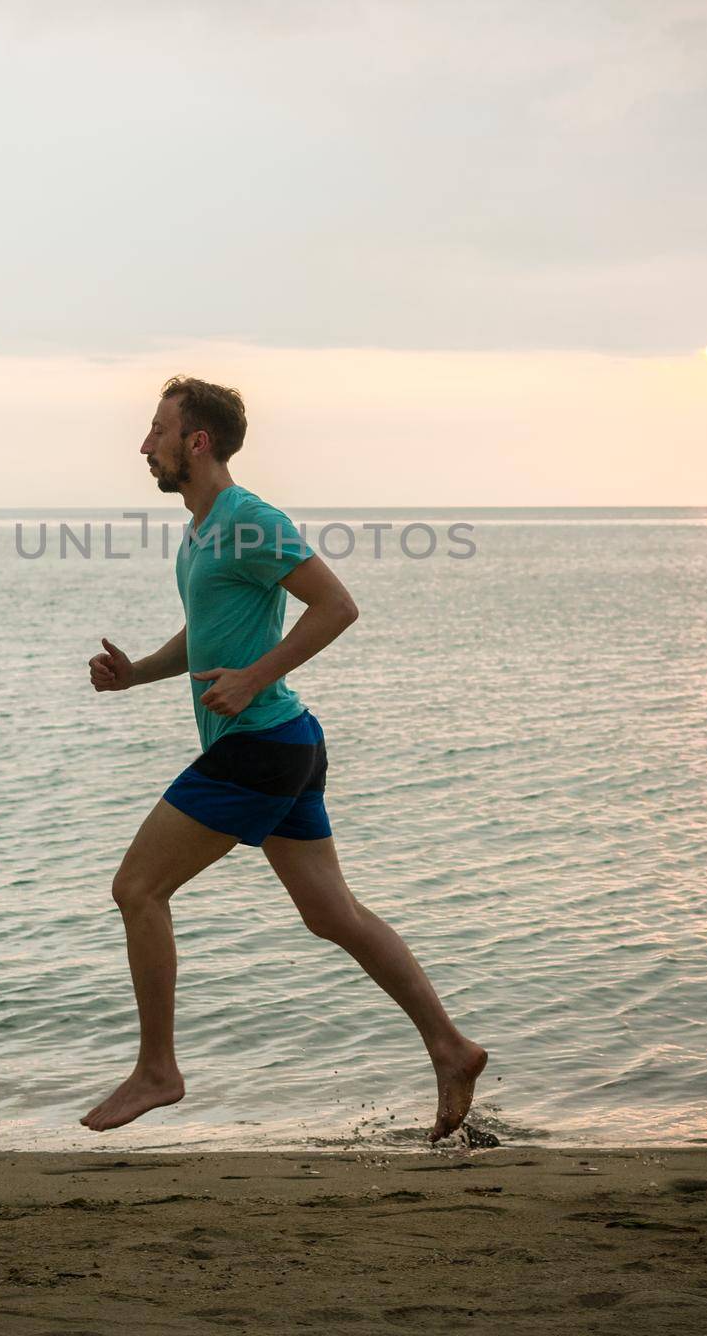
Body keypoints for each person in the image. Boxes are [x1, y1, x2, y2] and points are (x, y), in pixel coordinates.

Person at [81, 374, 488, 1142]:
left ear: (196, 442)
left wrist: (256, 676)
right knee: (332, 914)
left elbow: (338, 605)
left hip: (260, 748)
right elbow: (207, 640)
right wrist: (136, 674)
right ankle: (451, 1047)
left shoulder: (249, 519)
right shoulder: (202, 529)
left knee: (137, 888)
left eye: (158, 431)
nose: (144, 445)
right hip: (286, 741)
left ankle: (158, 1070)